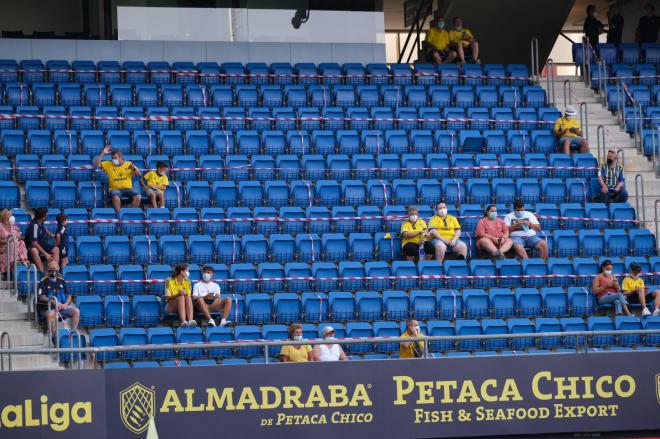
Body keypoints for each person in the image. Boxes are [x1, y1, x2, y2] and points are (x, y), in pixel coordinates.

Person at [37, 261, 79, 340]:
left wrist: (65, 304)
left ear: (58, 268)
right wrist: (54, 302)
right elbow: (41, 297)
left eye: (55, 268)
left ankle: (72, 335)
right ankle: (55, 339)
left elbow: (68, 295)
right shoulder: (43, 281)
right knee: (53, 315)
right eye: (51, 269)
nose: (53, 271)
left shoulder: (61, 280)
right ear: (47, 270)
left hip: (62, 307)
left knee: (76, 311)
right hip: (48, 308)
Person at [94, 146, 142, 215]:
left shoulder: (128, 164)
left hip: (128, 189)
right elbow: (97, 164)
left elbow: (139, 174)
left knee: (138, 197)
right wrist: (103, 153)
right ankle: (119, 215)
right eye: (112, 158)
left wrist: (134, 169)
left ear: (121, 157)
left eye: (115, 158)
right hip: (115, 189)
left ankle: (130, 214)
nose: (114, 160)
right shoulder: (108, 164)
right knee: (115, 197)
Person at [24, 208, 59, 273]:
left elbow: (45, 230)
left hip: (42, 245)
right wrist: (46, 254)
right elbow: (34, 243)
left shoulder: (41, 223)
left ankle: (54, 271)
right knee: (34, 250)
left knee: (56, 249)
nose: (48, 215)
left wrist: (54, 235)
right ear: (43, 217)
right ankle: (42, 273)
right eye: (46, 214)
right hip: (32, 247)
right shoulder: (34, 226)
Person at [165, 263, 196, 328]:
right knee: (181, 297)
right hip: (171, 306)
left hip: (184, 305)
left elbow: (188, 295)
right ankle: (183, 322)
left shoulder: (188, 281)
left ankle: (190, 321)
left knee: (188, 297)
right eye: (187, 270)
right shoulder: (168, 281)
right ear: (181, 271)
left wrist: (184, 294)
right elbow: (167, 298)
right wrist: (178, 295)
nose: (188, 272)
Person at [0, 209, 28, 278]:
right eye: (9, 214)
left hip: (15, 248)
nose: (11, 215)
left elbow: (20, 238)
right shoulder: (0, 227)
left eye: (11, 214)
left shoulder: (14, 227)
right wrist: (9, 241)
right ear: (4, 216)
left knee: (21, 242)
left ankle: (23, 260)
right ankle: (17, 261)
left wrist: (19, 236)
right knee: (12, 244)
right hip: (3, 247)